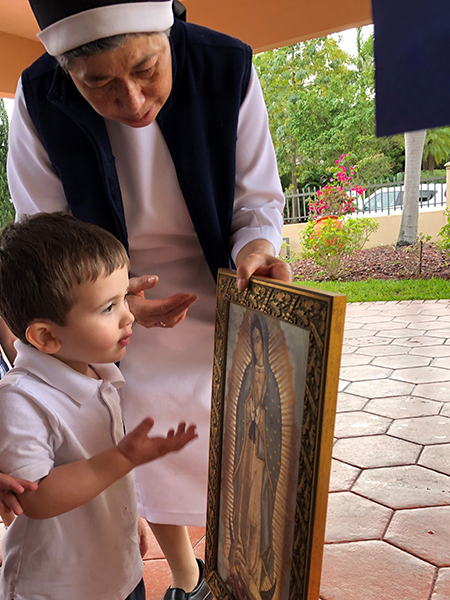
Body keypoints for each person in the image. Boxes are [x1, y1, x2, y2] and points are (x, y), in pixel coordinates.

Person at [7, 1, 292, 597]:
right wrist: (118, 300)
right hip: (104, 294)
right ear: (65, 70)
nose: (132, 102)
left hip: (220, 278)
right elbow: (45, 229)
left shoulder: (227, 65)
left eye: (145, 69)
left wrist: (257, 248)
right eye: (100, 83)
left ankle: (241, 561)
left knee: (247, 431)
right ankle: (186, 577)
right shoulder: (36, 95)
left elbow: (256, 199)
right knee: (129, 428)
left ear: (168, 35)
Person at [0, 212, 197, 600]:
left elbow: (102, 475)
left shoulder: (97, 374)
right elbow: (34, 498)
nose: (129, 315)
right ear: (46, 336)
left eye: (124, 298)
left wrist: (127, 516)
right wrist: (122, 459)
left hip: (114, 572)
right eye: (109, 308)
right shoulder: (22, 399)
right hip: (58, 587)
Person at [227, 316, 281, 600]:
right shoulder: (249, 372)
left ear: (267, 343)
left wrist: (263, 419)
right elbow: (239, 409)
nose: (257, 345)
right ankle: (240, 565)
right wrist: (248, 411)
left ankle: (256, 571)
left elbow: (276, 423)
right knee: (243, 505)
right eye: (254, 340)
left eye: (261, 339)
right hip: (246, 454)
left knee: (255, 515)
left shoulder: (271, 380)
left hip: (261, 457)